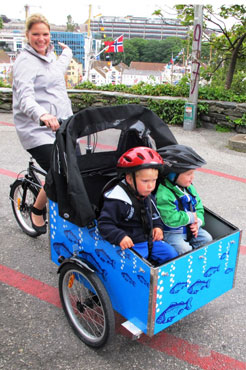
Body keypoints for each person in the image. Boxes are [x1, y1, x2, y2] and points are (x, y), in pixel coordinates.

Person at [12, 13, 73, 235]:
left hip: (61, 124)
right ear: (27, 35)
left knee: (77, 167)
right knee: (59, 171)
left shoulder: (49, 59)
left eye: (45, 34)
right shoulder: (25, 62)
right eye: (36, 34)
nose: (41, 38)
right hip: (36, 128)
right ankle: (37, 209)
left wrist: (67, 52)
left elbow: (59, 70)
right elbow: (25, 98)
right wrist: (42, 115)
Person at [98, 147, 178, 265]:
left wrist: (157, 227)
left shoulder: (147, 194)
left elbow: (155, 214)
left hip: (150, 240)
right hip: (132, 243)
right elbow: (104, 224)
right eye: (145, 181)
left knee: (172, 254)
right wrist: (120, 237)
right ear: (130, 179)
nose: (151, 186)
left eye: (154, 180)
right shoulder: (118, 200)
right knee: (139, 266)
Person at [156, 144, 213, 255]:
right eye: (188, 174)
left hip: (189, 227)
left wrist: (198, 222)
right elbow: (170, 218)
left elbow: (199, 206)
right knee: (183, 249)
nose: (192, 177)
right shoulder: (163, 193)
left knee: (207, 239)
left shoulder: (189, 188)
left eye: (193, 173)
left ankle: (198, 262)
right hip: (171, 232)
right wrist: (191, 217)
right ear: (172, 174)